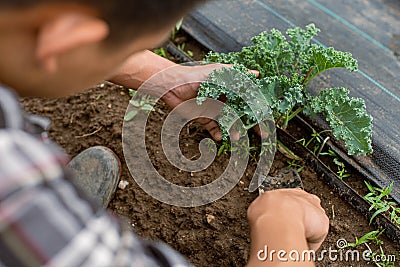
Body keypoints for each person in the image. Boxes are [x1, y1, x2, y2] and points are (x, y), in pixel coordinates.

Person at [0, 1, 329, 266]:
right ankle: (53, 226)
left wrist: (163, 76)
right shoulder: (9, 177)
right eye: (132, 49)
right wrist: (280, 220)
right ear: (66, 40)